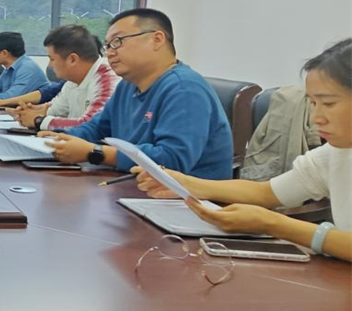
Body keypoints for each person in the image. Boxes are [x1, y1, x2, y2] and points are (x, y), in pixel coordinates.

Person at [134, 39, 352, 262]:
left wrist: (273, 224)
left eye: (328, 104)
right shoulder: (334, 153)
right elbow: (266, 193)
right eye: (313, 104)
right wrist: (185, 184)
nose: (316, 118)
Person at [40, 9, 233, 179]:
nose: (110, 53)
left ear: (157, 39)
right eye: (108, 46)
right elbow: (97, 129)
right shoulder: (127, 86)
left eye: (118, 41)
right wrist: (59, 140)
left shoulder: (184, 89)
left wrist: (95, 152)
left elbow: (172, 160)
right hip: (134, 186)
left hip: (186, 200)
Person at [10, 24, 119, 131]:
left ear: (72, 59)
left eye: (52, 59)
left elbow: (92, 125)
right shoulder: (72, 82)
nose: (50, 65)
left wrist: (38, 121)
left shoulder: (108, 80)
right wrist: (30, 113)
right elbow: (55, 111)